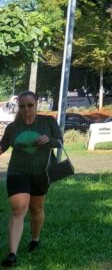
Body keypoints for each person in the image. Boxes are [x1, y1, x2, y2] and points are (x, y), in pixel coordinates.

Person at [0, 91, 62, 267]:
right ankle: (12, 253)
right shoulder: (13, 127)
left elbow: (59, 141)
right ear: (18, 107)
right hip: (17, 172)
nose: (26, 109)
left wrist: (48, 139)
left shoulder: (48, 121)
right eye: (22, 106)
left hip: (41, 173)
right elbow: (3, 145)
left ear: (36, 104)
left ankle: (35, 238)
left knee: (36, 208)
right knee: (18, 209)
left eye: (30, 105)